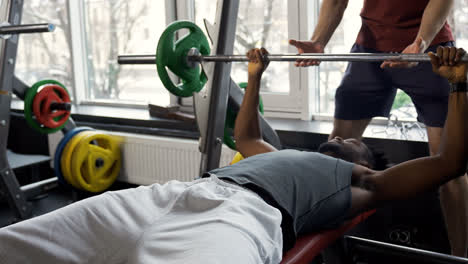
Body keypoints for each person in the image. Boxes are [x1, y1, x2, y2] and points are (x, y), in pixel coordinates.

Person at [0, 47, 466, 264]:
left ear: (364, 159)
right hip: (172, 195)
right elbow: (243, 137)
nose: (338, 139)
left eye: (350, 142)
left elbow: (449, 163)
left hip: (242, 218)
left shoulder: (363, 181)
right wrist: (255, 75)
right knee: (21, 244)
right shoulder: (274, 154)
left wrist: (460, 85)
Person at [289, 0, 468, 256]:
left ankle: (461, 256)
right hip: (369, 48)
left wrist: (420, 43)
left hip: (428, 49)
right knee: (332, 156)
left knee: (449, 167)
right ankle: (321, 251)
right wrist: (319, 41)